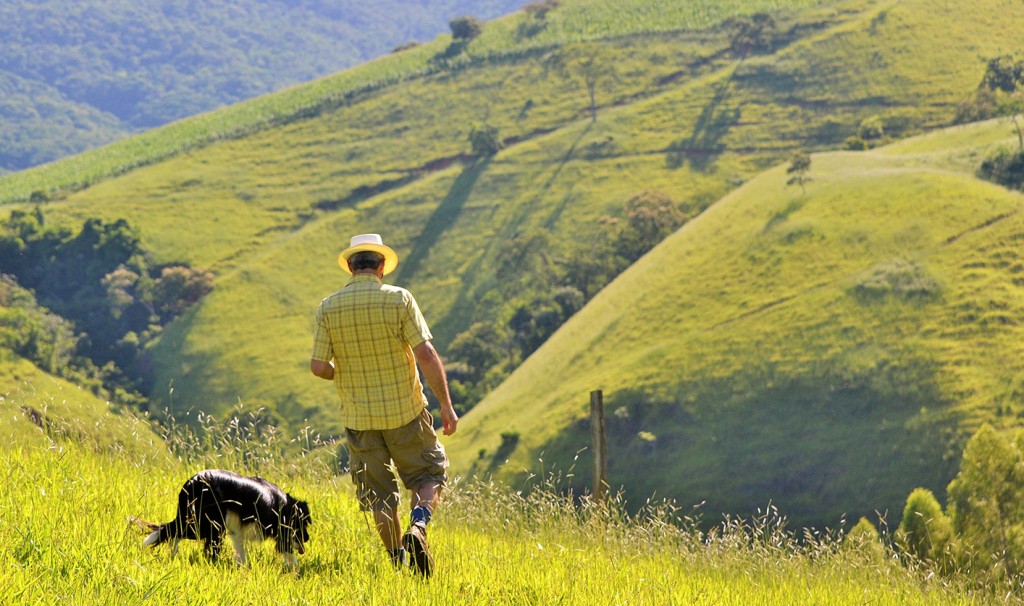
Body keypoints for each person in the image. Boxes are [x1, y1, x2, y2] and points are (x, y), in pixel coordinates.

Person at [310, 233, 458, 577]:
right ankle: (418, 527)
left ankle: (397, 563)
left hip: (360, 419)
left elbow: (319, 367)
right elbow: (425, 353)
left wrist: (344, 373)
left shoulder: (328, 307)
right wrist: (446, 407)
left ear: (350, 266)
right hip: (406, 412)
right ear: (381, 267)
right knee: (428, 475)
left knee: (379, 497)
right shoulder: (399, 299)